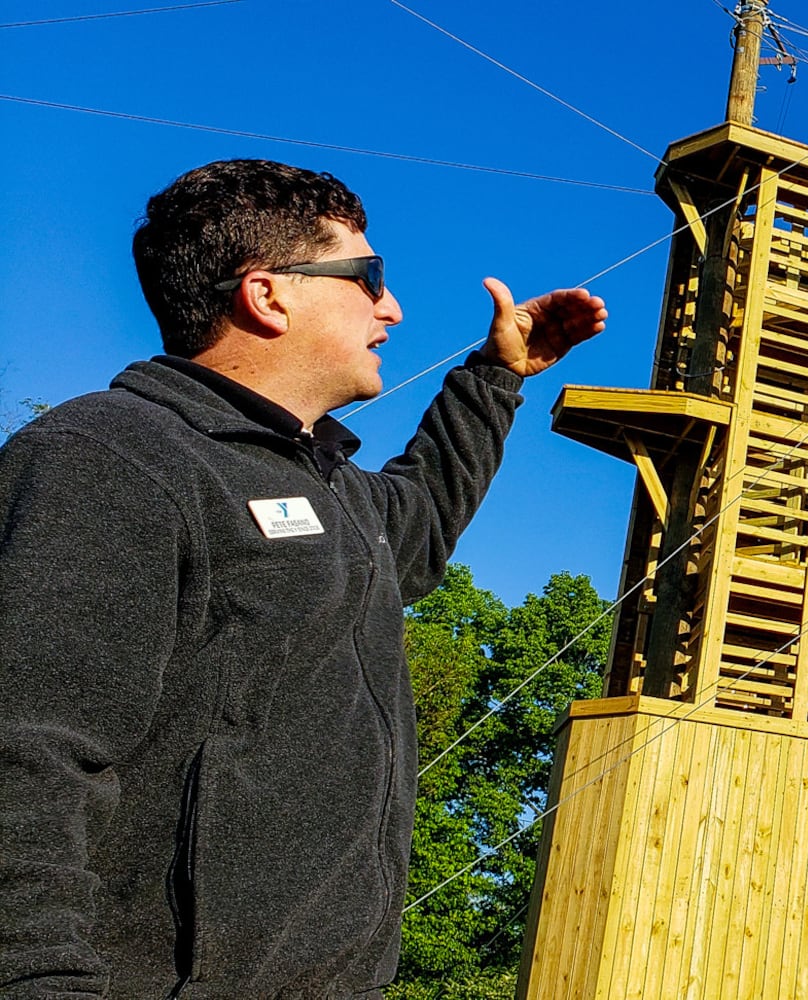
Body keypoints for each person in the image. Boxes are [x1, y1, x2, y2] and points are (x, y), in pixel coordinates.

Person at [0, 159, 606, 998]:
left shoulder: (326, 488)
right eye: (369, 278)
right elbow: (28, 754)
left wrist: (496, 377)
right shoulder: (110, 457)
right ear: (267, 294)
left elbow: (419, 528)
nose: (391, 307)